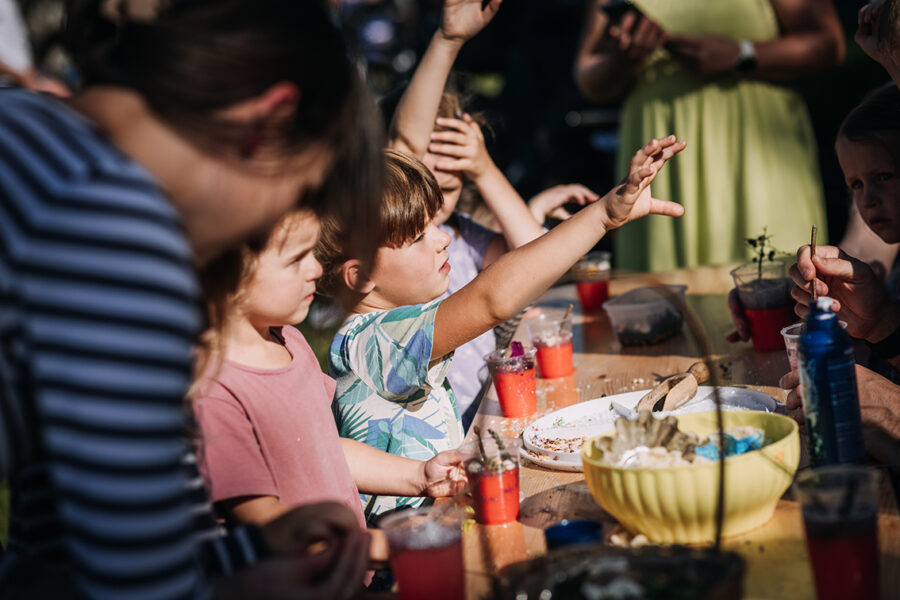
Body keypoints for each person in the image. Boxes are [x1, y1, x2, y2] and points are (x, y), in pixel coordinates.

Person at [0, 1, 383, 598]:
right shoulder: (115, 228)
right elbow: (141, 587)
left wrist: (252, 549)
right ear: (269, 120)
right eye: (296, 188)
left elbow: (69, 536)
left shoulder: (23, 121)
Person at [318, 138, 685, 518]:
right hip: (405, 548)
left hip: (439, 517)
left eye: (435, 225)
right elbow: (491, 300)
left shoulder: (388, 327)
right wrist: (602, 216)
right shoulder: (371, 341)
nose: (443, 240)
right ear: (360, 275)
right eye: (417, 237)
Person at [192, 207, 467, 561]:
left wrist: (419, 476)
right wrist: (387, 545)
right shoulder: (212, 391)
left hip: (351, 569)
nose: (317, 270)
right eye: (295, 260)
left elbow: (323, 445)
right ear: (228, 280)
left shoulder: (288, 339)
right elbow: (268, 523)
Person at [386, 0, 599, 418]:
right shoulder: (386, 243)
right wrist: (448, 40)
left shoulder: (462, 233)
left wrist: (485, 171)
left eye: (451, 185)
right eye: (423, 182)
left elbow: (536, 260)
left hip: (484, 414)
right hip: (423, 442)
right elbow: (406, 147)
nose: (437, 211)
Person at [575, 0, 843, 271]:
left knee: (776, 280)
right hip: (660, 150)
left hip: (756, 143)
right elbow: (588, 77)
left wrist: (743, 54)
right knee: (663, 297)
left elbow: (829, 43)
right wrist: (626, 55)